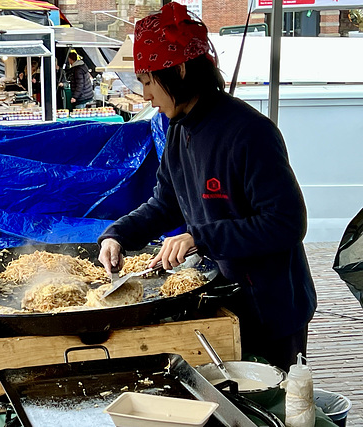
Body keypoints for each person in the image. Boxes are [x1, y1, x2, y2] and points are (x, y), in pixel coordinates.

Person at [97, 2, 316, 372]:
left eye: (149, 82)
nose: (146, 95)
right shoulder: (179, 129)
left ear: (180, 70)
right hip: (221, 299)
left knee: (270, 406)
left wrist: (200, 237)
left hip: (272, 307)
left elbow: (287, 223)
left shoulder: (250, 133)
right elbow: (165, 203)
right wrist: (117, 235)